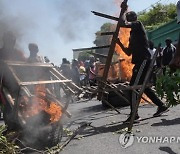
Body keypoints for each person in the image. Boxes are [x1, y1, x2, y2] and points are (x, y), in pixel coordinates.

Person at [116, 3, 169, 123]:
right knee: (143, 87)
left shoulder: (138, 24)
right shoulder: (132, 35)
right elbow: (128, 52)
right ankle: (161, 106)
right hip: (140, 62)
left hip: (143, 61)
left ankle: (134, 115)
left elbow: (123, 24)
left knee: (132, 87)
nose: (128, 21)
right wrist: (119, 43)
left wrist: (123, 11)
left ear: (133, 19)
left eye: (129, 18)